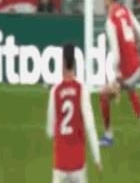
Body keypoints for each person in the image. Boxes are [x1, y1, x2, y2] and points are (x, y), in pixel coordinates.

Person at [99, 0, 140, 147]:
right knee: (130, 89)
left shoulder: (110, 21)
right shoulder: (126, 11)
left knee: (103, 96)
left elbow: (115, 54)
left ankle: (108, 136)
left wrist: (116, 76)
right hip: (138, 67)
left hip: (127, 73)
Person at [46, 43, 101, 182]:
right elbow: (90, 126)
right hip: (78, 163)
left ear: (63, 63)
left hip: (60, 163)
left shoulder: (55, 91)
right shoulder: (82, 89)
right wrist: (97, 157)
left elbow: (50, 131)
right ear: (75, 64)